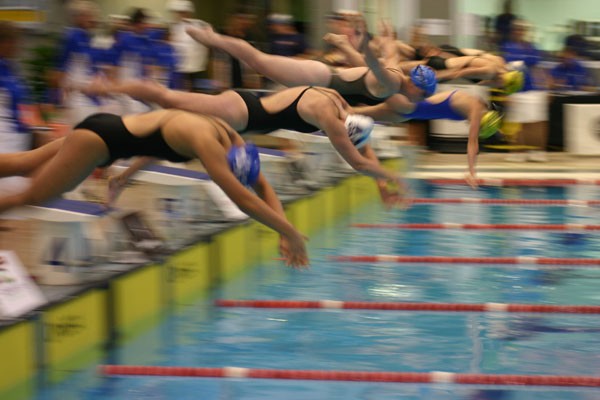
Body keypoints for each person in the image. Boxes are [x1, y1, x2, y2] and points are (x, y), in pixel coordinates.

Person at [0, 109, 309, 268]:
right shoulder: (209, 145)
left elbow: (263, 189)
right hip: (98, 143)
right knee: (32, 196)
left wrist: (284, 231)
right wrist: (292, 233)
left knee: (24, 162)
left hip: (104, 126)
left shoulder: (228, 134)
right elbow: (244, 200)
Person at [87, 80, 408, 208]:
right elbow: (358, 161)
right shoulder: (331, 118)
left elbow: (363, 150)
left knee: (170, 142)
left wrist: (381, 186)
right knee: (169, 101)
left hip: (248, 115)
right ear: (344, 132)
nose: (339, 141)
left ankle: (122, 178)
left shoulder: (341, 108)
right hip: (242, 114)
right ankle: (107, 86)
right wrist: (393, 179)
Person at [185, 24, 437, 105]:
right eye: (424, 93)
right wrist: (367, 45)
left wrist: (386, 37)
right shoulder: (393, 82)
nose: (423, 98)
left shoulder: (398, 78)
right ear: (415, 86)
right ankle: (211, 38)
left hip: (322, 80)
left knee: (259, 62)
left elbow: (389, 54)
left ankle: (213, 39)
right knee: (257, 60)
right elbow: (375, 64)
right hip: (321, 77)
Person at [352, 90, 501, 189]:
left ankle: (340, 110)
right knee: (363, 111)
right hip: (409, 106)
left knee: (363, 113)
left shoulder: (475, 103)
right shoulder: (475, 108)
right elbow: (472, 141)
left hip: (410, 111)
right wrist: (471, 170)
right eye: (479, 127)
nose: (472, 125)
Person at [166, 0, 209, 90]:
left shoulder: (199, 25)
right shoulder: (174, 27)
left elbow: (206, 44)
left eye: (183, 12)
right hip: (180, 69)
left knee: (196, 92)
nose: (180, 15)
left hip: (196, 69)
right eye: (178, 13)